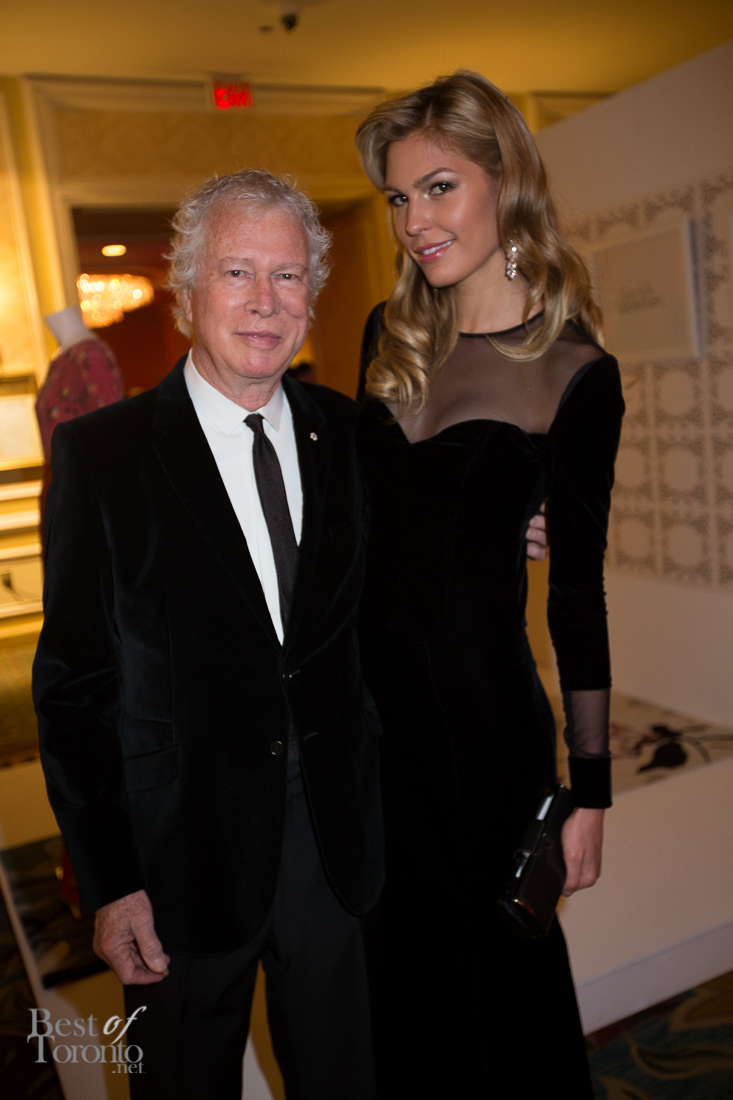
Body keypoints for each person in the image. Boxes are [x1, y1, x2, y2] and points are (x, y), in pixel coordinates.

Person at [32, 169, 384, 1100]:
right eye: (237, 272)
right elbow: (72, 689)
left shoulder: (351, 436)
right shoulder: (102, 457)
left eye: (288, 274)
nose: (266, 301)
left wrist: (518, 522)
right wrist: (110, 882)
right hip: (174, 865)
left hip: (332, 850)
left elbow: (406, 597)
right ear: (186, 294)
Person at [353, 71, 624, 1097]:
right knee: (398, 985)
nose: (412, 221)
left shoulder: (573, 372)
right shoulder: (385, 336)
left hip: (483, 733)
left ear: (505, 182)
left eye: (438, 188)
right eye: (397, 197)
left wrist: (589, 791)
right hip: (372, 729)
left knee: (498, 994)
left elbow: (578, 594)